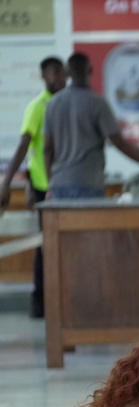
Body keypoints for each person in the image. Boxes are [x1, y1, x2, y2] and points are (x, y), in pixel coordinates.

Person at [43, 52, 139, 200]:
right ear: (90, 71)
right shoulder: (97, 103)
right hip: (87, 184)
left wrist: (50, 185)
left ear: (67, 73)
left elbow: (47, 149)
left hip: (59, 184)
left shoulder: (52, 104)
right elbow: (119, 143)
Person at [0, 57, 66, 318]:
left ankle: (57, 301)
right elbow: (25, 146)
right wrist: (7, 182)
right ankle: (40, 302)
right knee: (45, 246)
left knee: (58, 246)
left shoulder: (64, 103)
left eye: (62, 73)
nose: (59, 78)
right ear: (44, 76)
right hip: (44, 186)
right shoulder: (38, 106)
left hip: (61, 183)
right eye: (54, 74)